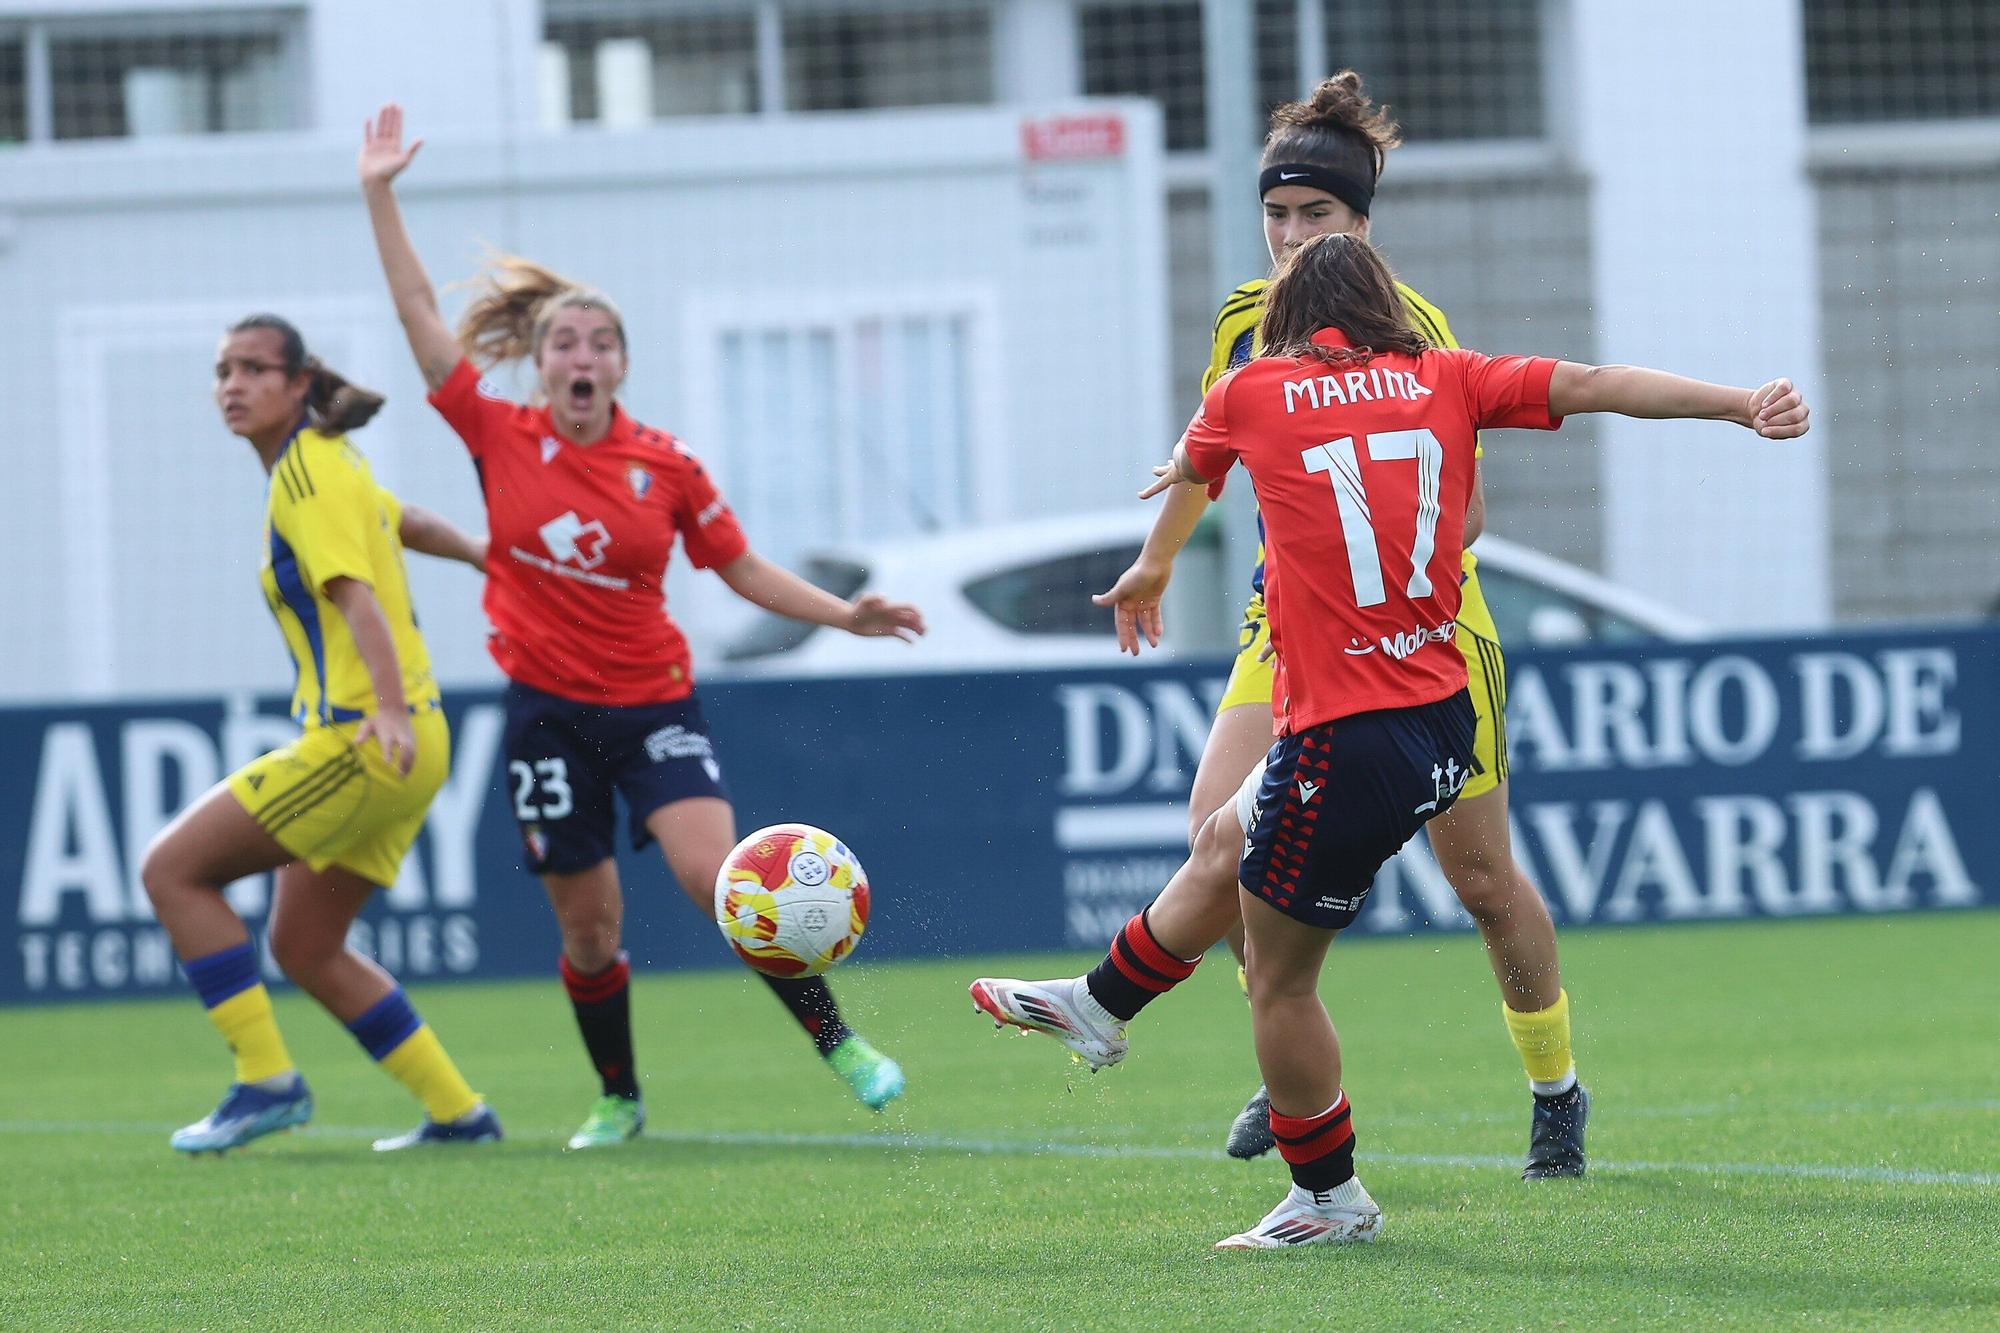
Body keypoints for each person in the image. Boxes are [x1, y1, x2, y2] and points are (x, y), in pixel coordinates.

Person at [974, 230, 1809, 1248]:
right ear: (1385, 307)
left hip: (1345, 736)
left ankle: (1328, 1198)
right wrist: (1738, 405)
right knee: (1219, 844)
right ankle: (1099, 1004)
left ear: (1283, 316)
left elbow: (1191, 464)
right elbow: (1594, 383)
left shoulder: (1249, 392)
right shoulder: (1446, 375)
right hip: (1437, 714)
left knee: (1279, 981)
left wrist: (1159, 549)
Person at [357, 105, 925, 1149]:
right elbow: (410, 311)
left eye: (600, 341)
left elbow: (740, 565)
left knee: (726, 885)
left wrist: (845, 613)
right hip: (544, 715)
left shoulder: (665, 465)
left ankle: (839, 1044)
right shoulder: (497, 429)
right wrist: (380, 192)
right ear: (538, 363)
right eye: (564, 340)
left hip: (654, 703)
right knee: (589, 926)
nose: (582, 354)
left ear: (620, 366)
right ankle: (619, 1095)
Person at [1095, 71, 1592, 1177]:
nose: (1288, 234)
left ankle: (1553, 1086)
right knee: (1212, 842)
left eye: (1313, 215)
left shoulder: (1410, 328)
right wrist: (1154, 559)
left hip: (1422, 636)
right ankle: (1293, 1072)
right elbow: (1205, 450)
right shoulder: (1244, 320)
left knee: (1480, 885)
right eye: (1275, 213)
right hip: (1284, 630)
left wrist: (1369, 543)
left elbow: (1460, 512)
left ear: (1360, 226)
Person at [142, 313, 499, 1155]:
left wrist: (382, 708)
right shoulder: (333, 463)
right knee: (304, 942)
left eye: (254, 369)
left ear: (300, 383)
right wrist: (488, 553)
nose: (232, 384)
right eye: (223, 369)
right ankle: (460, 1112)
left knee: (172, 871)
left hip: (362, 741)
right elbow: (400, 520)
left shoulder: (305, 474)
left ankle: (266, 1080)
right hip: (418, 737)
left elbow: (355, 595)